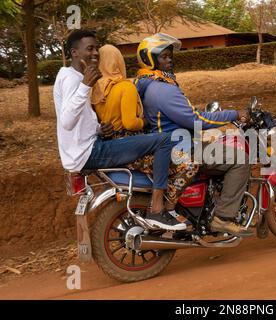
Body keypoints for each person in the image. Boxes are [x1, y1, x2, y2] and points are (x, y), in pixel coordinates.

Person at [53, 29, 185, 231]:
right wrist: (85, 86)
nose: (95, 53)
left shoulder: (69, 75)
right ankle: (158, 209)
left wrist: (98, 128)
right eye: (89, 49)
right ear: (75, 52)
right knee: (163, 140)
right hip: (90, 152)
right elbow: (67, 121)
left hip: (87, 147)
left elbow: (77, 120)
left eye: (96, 48)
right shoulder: (75, 80)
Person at [134, 33, 253, 237]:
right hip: (181, 147)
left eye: (170, 55)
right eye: (163, 56)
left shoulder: (147, 83)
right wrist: (234, 114)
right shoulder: (162, 89)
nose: (170, 59)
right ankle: (223, 218)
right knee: (239, 159)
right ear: (149, 59)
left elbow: (181, 114)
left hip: (171, 142)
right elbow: (195, 120)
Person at [91, 44, 198, 225]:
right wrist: (146, 122)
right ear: (119, 62)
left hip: (110, 144)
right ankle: (166, 209)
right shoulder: (125, 87)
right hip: (130, 144)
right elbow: (130, 123)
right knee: (190, 164)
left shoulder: (96, 90)